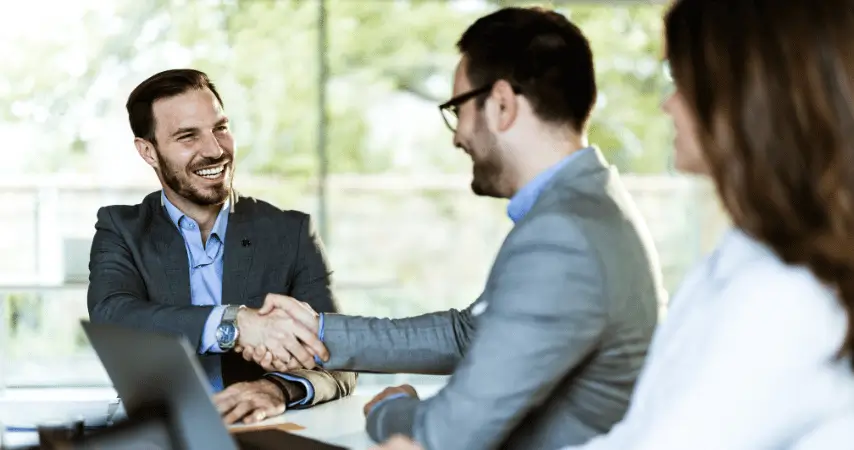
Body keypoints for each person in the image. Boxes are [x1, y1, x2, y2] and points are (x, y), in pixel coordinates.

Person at [373, 0, 854, 448]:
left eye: (682, 82)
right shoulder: (753, 261)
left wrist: (399, 418)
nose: (668, 105)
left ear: (749, 97)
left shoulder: (781, 295)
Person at [239, 7, 665, 450]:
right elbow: (467, 333)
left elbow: (440, 435)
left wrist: (389, 407)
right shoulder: (589, 206)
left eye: (457, 108)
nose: (457, 135)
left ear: (501, 104)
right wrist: (318, 329)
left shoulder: (562, 236)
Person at [87, 69, 356, 425]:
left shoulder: (291, 232)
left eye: (221, 128)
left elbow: (341, 358)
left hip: (263, 432)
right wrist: (234, 324)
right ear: (148, 152)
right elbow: (113, 317)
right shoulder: (121, 228)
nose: (215, 150)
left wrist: (278, 389)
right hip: (161, 431)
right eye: (187, 136)